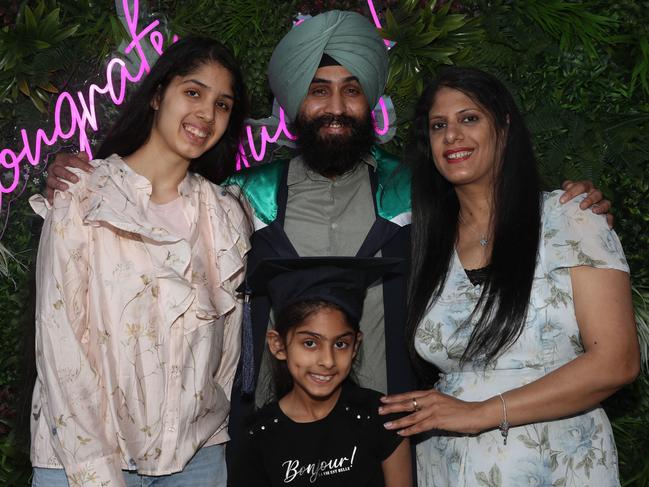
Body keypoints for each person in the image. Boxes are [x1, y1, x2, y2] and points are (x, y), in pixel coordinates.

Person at [44, 10, 611, 453]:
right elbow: (158, 218)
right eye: (318, 89)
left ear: (371, 101)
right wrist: (77, 173)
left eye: (351, 89)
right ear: (296, 103)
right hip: (269, 443)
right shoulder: (239, 198)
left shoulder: (419, 191)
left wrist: (571, 203)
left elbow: (491, 196)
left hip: (391, 440)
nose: (336, 106)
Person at [378, 67, 639, 486]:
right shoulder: (422, 243)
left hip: (558, 465)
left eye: (469, 118)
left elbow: (617, 361)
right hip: (447, 466)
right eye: (438, 125)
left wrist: (480, 413)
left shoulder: (569, 217)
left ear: (504, 126)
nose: (452, 136)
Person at [29, 37, 251, 487]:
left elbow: (226, 348)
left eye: (222, 104)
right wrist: (96, 474)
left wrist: (209, 429)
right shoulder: (84, 195)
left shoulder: (227, 215)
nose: (207, 114)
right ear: (157, 94)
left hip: (197, 458)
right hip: (81, 458)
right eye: (193, 92)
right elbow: (61, 347)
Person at [231, 257, 412, 486]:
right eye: (310, 343)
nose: (327, 361)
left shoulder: (383, 419)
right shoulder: (258, 437)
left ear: (355, 346)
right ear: (278, 345)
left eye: (340, 344)